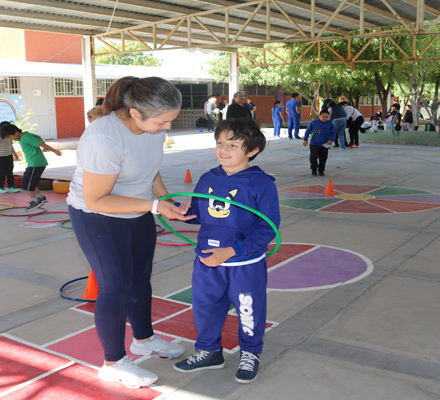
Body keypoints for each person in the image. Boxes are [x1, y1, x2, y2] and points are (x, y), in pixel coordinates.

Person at [66, 76, 192, 389]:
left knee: (140, 278)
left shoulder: (151, 128)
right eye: (163, 122)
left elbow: (150, 167)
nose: (167, 128)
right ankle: (113, 362)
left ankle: (144, 339)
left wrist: (163, 198)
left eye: (170, 121)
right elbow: (97, 198)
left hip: (139, 210)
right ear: (135, 113)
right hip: (97, 215)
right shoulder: (104, 138)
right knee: (115, 286)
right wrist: (153, 206)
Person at [172, 118, 280, 384]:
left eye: (233, 144)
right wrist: (184, 212)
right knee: (205, 308)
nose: (224, 149)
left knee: (248, 310)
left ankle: (250, 352)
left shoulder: (261, 184)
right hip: (207, 261)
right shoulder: (209, 177)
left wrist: (232, 251)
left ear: (252, 151)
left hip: (244, 264)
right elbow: (202, 214)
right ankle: (209, 351)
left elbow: (268, 230)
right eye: (220, 142)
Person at [0, 122, 62, 210]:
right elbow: (38, 138)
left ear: (16, 132)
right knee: (32, 182)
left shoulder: (25, 138)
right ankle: (40, 197)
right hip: (36, 163)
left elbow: (40, 143)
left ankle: (35, 200)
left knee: (26, 184)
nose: (11, 139)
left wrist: (55, 151)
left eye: (10, 137)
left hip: (35, 163)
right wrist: (44, 147)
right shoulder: (26, 135)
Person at [302, 110, 336, 176]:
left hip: (324, 145)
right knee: (313, 157)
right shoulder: (314, 123)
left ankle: (321, 170)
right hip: (314, 143)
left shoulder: (330, 124)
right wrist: (305, 139)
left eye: (327, 117)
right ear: (319, 116)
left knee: (323, 158)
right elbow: (307, 131)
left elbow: (333, 133)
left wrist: (331, 140)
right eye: (323, 117)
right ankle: (314, 169)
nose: (325, 118)